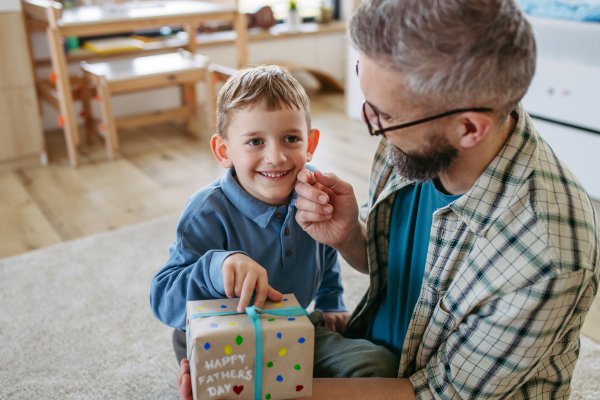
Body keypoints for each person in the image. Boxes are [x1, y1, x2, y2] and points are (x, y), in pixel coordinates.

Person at [173, 0, 600, 398]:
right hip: (382, 356)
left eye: (385, 115)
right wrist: (349, 238)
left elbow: (435, 393)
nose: (370, 123)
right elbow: (406, 270)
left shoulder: (547, 253)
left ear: (469, 129)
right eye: (367, 96)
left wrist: (264, 389)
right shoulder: (416, 138)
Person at [150, 65, 400, 395]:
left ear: (310, 143)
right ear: (224, 151)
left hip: (293, 325)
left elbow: (326, 254)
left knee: (380, 368)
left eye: (291, 139)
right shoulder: (207, 210)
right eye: (255, 141)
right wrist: (216, 268)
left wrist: (332, 301)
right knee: (232, 389)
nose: (276, 156)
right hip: (221, 333)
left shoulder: (312, 193)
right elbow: (162, 298)